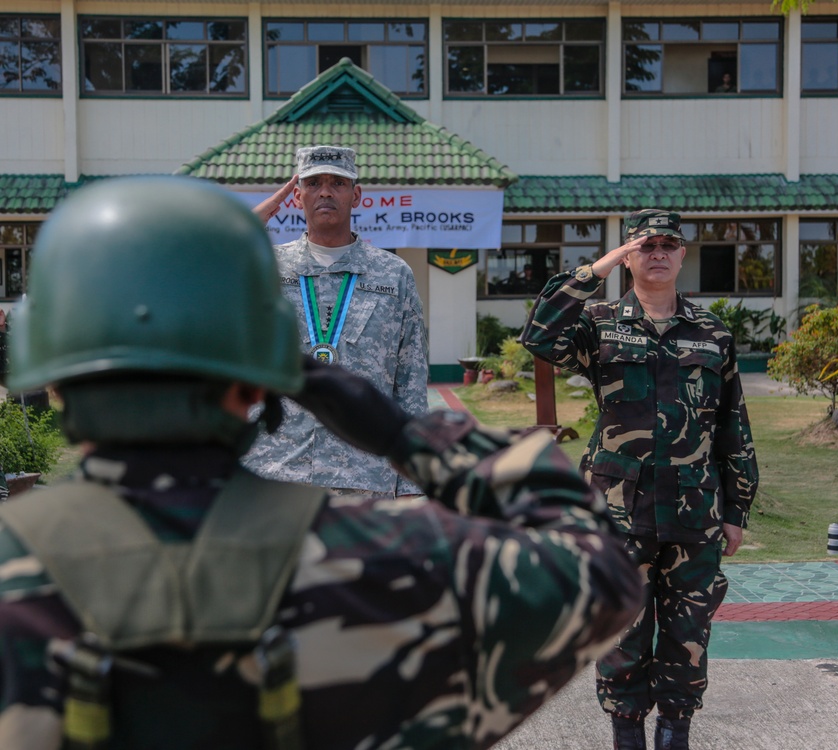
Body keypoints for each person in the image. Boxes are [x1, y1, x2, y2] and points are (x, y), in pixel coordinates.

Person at [0, 175, 643, 750]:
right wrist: (406, 435)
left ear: (49, 374)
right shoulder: (392, 561)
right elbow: (604, 573)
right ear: (263, 372)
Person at [521, 209, 758, 750]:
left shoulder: (711, 332)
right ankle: (626, 736)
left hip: (694, 513)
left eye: (668, 244)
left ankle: (675, 734)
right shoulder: (600, 322)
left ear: (681, 253)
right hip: (617, 514)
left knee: (689, 635)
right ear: (627, 254)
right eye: (644, 244)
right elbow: (539, 334)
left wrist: (737, 508)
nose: (657, 253)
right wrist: (595, 270)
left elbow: (732, 425)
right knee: (621, 637)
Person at [246, 145, 428, 497]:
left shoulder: (393, 274)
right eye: (313, 183)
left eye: (338, 183)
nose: (325, 192)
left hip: (366, 474)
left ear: (356, 195)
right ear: (296, 197)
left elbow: (411, 381)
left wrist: (411, 480)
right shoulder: (263, 268)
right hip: (276, 471)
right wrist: (245, 229)